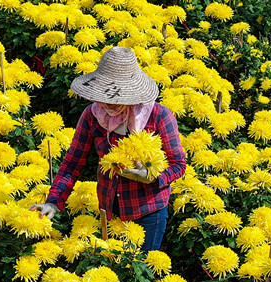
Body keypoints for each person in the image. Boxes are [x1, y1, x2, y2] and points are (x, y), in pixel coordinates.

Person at [31, 46, 186, 252]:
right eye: (104, 95)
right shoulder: (92, 115)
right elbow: (72, 164)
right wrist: (53, 202)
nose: (109, 104)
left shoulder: (158, 116)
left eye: (117, 97)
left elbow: (178, 164)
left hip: (149, 210)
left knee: (141, 272)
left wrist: (153, 177)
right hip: (108, 210)